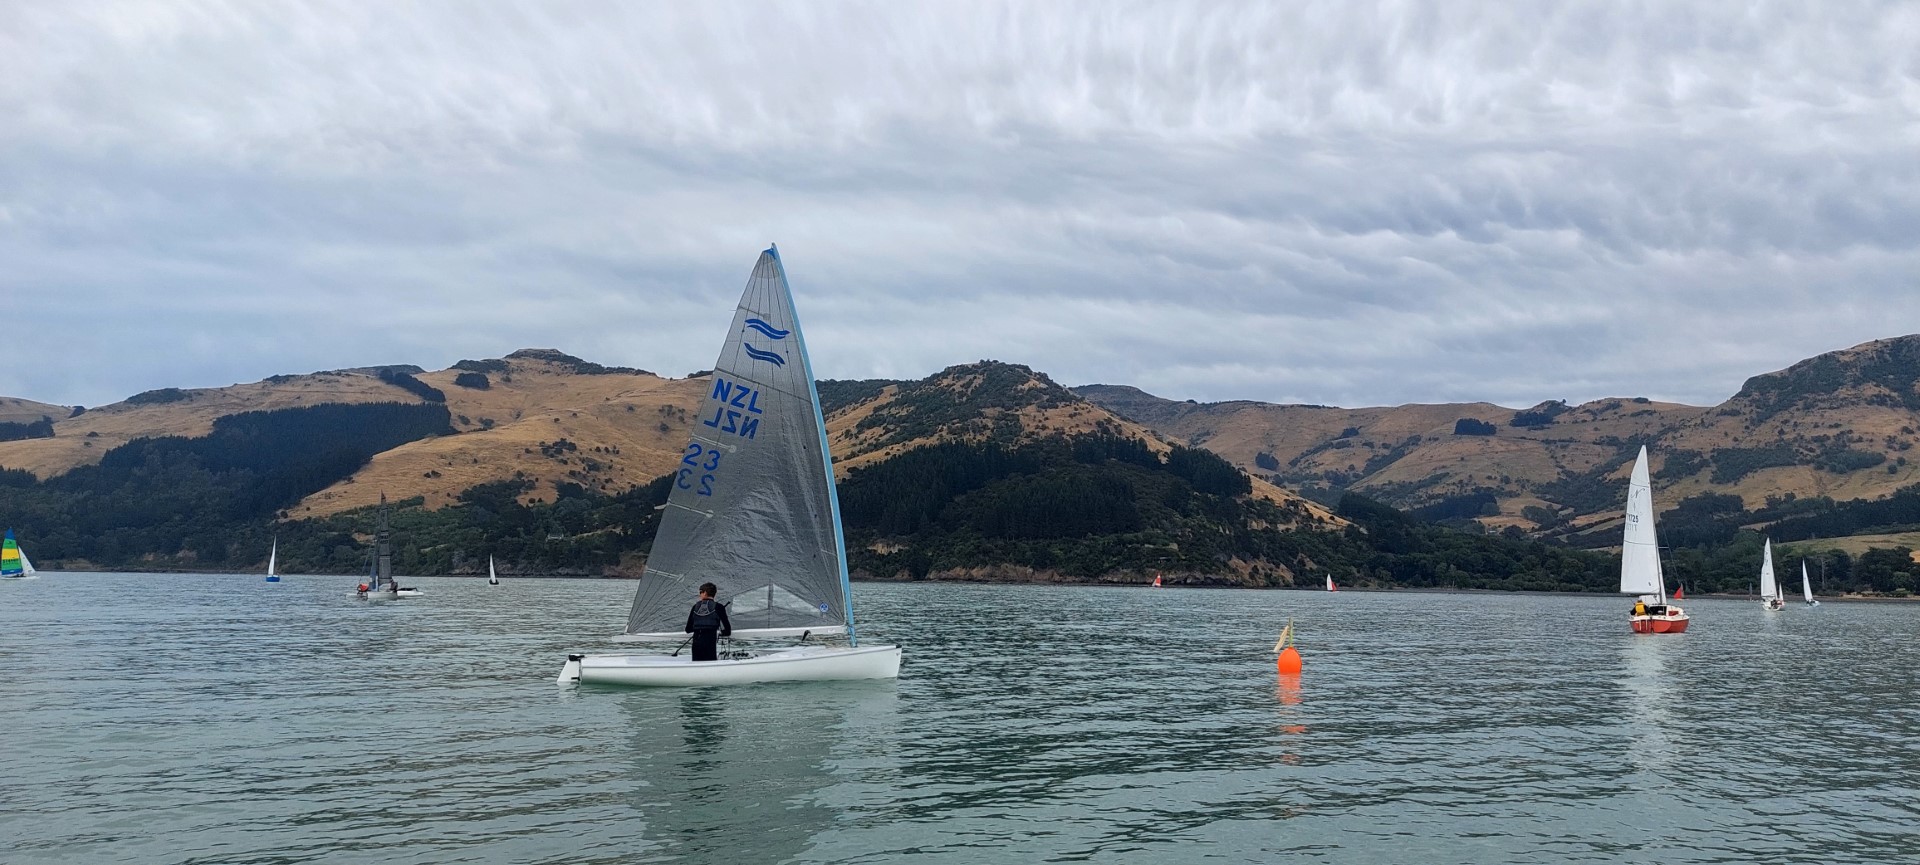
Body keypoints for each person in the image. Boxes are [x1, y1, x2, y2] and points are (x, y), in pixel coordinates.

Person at [685, 582, 732, 662]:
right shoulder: (719, 607)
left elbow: (688, 629)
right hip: (710, 641)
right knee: (710, 663)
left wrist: (698, 628)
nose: (700, 594)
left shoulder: (695, 607)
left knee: (697, 664)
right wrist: (720, 631)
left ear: (705, 593)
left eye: (700, 592)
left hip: (697, 641)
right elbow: (728, 630)